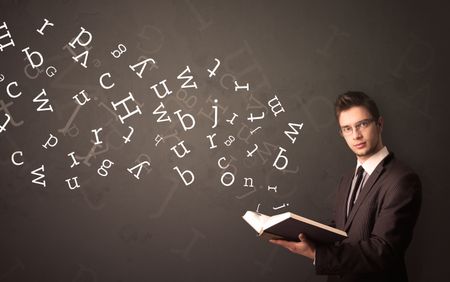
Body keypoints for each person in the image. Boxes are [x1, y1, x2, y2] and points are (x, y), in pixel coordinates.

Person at [270, 91, 422, 282]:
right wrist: (298, 234)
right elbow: (342, 232)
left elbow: (383, 250)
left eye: (362, 124)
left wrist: (317, 254)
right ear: (341, 133)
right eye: (347, 129)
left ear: (380, 124)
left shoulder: (402, 179)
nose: (356, 135)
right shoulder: (347, 179)